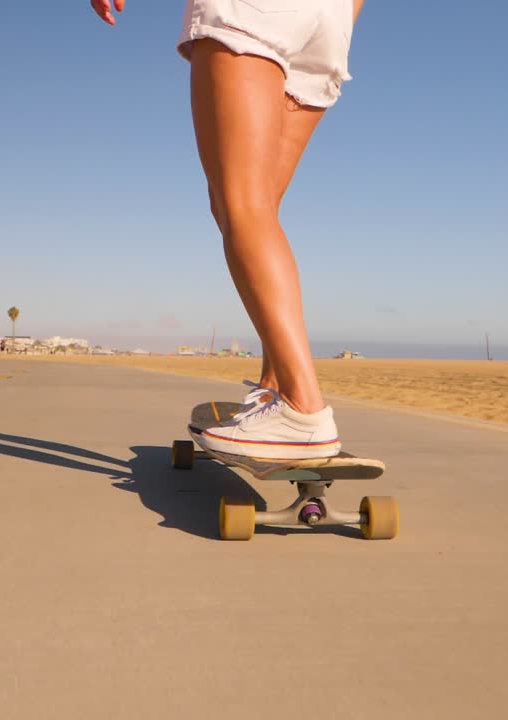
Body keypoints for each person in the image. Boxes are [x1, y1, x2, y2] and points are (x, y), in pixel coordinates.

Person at [92, 0, 361, 459]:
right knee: (253, 211)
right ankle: (275, 390)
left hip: (256, 12)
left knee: (244, 207)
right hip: (332, 19)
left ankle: (302, 409)